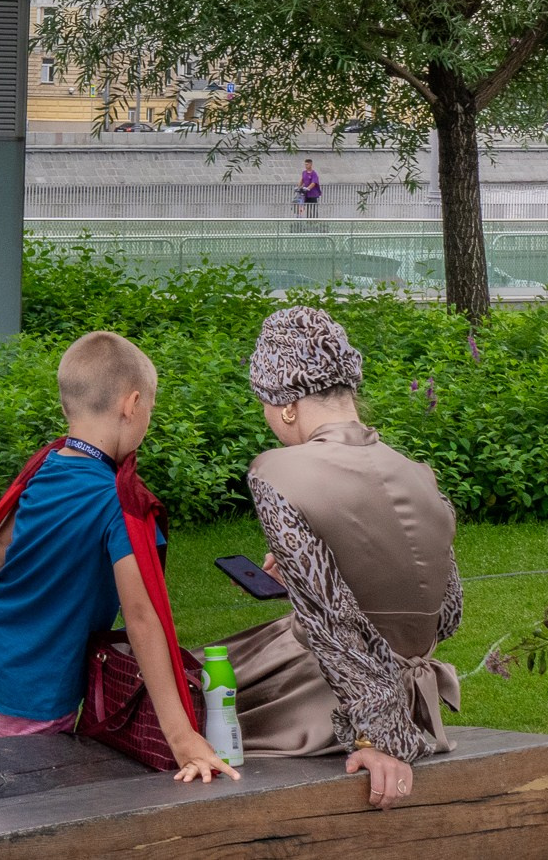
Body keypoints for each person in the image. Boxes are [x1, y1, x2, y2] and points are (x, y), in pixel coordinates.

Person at [0, 332, 238, 783]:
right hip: (34, 693)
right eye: (150, 409)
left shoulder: (48, 466)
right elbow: (143, 618)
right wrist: (181, 735)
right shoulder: (123, 507)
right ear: (131, 405)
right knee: (28, 815)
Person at [216, 307, 462, 811]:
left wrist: (377, 736)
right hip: (412, 696)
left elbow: (331, 620)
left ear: (287, 405)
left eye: (264, 402)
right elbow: (448, 612)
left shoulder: (276, 472)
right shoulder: (420, 474)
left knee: (175, 688)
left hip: (324, 697)